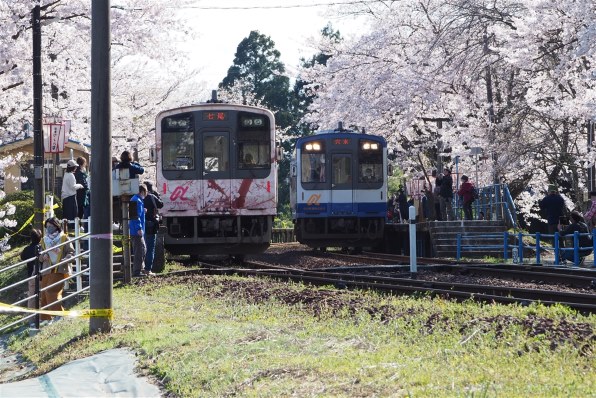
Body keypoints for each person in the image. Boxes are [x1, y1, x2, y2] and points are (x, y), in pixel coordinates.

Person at [38, 217, 74, 321]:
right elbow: (39, 256)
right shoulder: (44, 240)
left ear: (57, 226)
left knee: (51, 291)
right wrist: (43, 256)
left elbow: (71, 252)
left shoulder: (64, 238)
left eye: (51, 226)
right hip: (46, 269)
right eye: (47, 226)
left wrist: (65, 259)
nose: (49, 228)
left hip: (59, 269)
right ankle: (45, 318)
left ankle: (59, 314)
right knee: (44, 294)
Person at [143, 185, 164, 275]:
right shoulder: (152, 197)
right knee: (150, 249)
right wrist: (157, 195)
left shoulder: (138, 198)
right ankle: (148, 269)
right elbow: (161, 204)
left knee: (142, 248)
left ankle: (140, 268)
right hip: (151, 225)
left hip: (141, 225)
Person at [20, 228, 42, 312]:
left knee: (32, 296)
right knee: (42, 296)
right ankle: (41, 316)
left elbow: (22, 257)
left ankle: (31, 318)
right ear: (40, 237)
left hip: (31, 275)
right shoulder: (42, 247)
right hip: (42, 274)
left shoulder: (27, 249)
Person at [130, 184, 148, 277]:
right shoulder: (137, 201)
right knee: (140, 250)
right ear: (142, 191)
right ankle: (137, 272)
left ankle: (139, 270)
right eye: (146, 192)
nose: (146, 194)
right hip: (136, 231)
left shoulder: (136, 200)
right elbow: (135, 216)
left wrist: (143, 211)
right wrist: (139, 228)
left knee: (142, 249)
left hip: (136, 230)